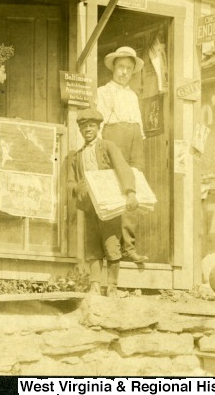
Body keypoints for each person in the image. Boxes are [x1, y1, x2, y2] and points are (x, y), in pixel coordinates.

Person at [68, 108, 138, 297]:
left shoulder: (108, 146)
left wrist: (130, 192)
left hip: (109, 206)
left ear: (98, 128)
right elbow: (70, 182)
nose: (87, 130)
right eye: (83, 127)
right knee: (92, 247)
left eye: (91, 126)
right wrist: (78, 188)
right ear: (80, 131)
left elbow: (123, 168)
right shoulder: (77, 156)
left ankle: (113, 286)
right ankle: (95, 285)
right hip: (90, 207)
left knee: (111, 245)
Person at [95, 46, 148, 264]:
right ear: (113, 69)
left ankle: (130, 247)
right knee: (114, 192)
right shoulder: (103, 92)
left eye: (128, 68)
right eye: (121, 67)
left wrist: (138, 147)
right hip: (113, 138)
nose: (124, 72)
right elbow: (100, 125)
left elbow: (139, 126)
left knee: (132, 193)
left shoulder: (133, 96)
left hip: (133, 139)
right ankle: (113, 249)